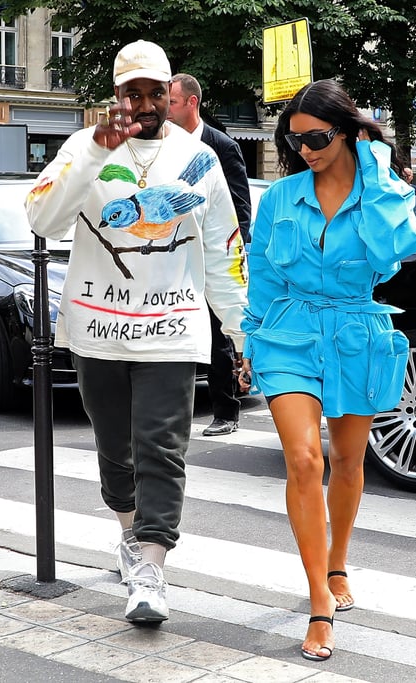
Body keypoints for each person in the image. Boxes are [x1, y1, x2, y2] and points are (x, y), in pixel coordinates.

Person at [25, 40, 247, 623]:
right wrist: (97, 153)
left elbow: (224, 250)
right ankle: (127, 531)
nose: (145, 104)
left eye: (155, 93)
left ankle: (151, 568)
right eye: (133, 93)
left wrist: (239, 331)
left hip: (173, 328)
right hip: (97, 329)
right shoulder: (82, 146)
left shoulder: (200, 159)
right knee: (115, 451)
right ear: (117, 95)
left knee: (162, 448)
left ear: (171, 95)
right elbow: (42, 219)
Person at [240, 79, 416, 662]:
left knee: (348, 460)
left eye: (317, 138)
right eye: (295, 142)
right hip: (287, 333)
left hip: (353, 333)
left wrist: (372, 163)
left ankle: (338, 563)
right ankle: (320, 599)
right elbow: (264, 275)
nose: (305, 151)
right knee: (303, 458)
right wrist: (250, 341)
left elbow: (390, 254)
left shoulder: (383, 193)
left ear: (344, 132)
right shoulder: (279, 198)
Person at [168, 73, 252, 437]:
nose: (164, 109)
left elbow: (239, 205)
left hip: (213, 253)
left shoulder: (220, 145)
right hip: (175, 256)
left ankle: (226, 412)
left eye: (170, 102)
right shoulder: (161, 145)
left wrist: (236, 254)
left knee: (219, 335)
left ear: (191, 103)